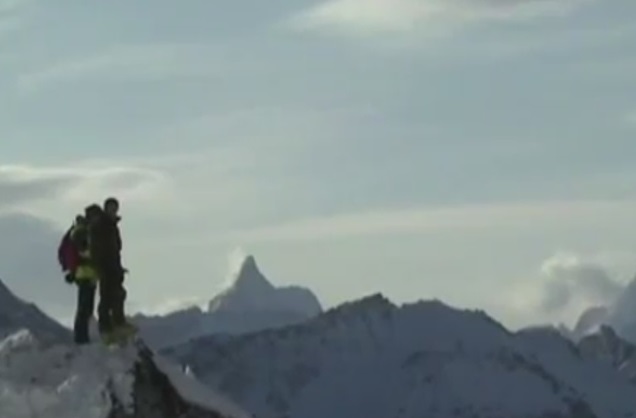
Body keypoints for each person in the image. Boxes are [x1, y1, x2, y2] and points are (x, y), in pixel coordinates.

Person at [90, 196, 134, 342]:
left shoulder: (111, 225)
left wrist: (118, 267)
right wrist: (101, 266)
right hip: (106, 267)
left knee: (116, 294)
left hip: (113, 266)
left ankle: (116, 323)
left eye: (115, 208)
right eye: (112, 208)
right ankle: (107, 327)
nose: (114, 211)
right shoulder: (102, 226)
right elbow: (100, 249)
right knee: (109, 296)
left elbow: (115, 249)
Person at [68, 204, 102, 344]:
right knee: (84, 307)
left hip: (87, 274)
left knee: (86, 307)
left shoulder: (83, 231)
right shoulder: (83, 232)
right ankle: (81, 338)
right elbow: (83, 251)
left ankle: (82, 336)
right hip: (85, 274)